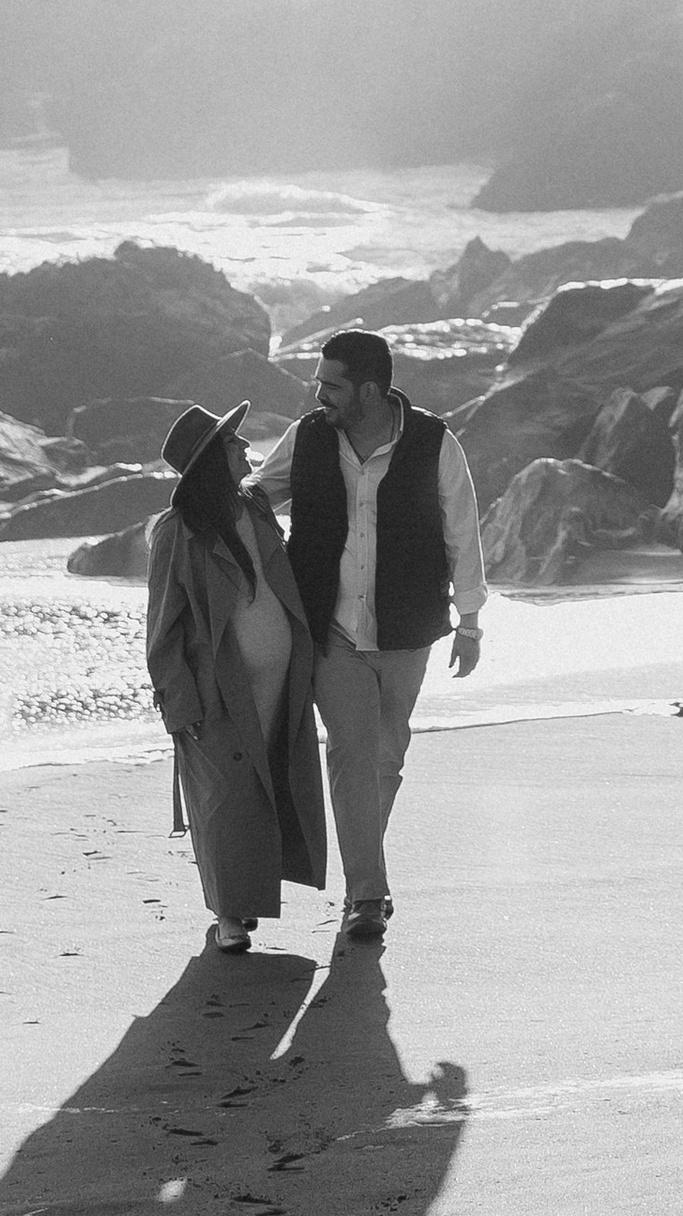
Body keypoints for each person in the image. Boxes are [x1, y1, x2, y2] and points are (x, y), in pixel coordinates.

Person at [255, 328, 485, 949]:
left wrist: (470, 620)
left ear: (371, 389)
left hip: (408, 629)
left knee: (387, 756)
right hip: (329, 627)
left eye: (332, 385)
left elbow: (462, 531)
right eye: (318, 383)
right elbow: (258, 498)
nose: (319, 394)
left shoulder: (435, 442)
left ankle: (364, 866)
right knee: (351, 754)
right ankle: (367, 897)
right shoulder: (306, 438)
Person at [143, 399, 328, 955]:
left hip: (282, 683)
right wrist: (180, 704)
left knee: (267, 787)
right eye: (233, 443)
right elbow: (161, 631)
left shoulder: (257, 509)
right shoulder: (178, 532)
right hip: (216, 691)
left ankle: (248, 898)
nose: (246, 448)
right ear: (209, 461)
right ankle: (229, 915)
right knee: (225, 802)